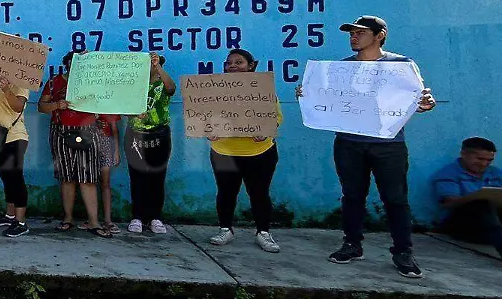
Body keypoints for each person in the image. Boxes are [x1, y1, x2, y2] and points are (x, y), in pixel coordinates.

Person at [298, 15, 436, 278]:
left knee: (395, 199)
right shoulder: (341, 68)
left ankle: (403, 251)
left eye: (360, 32)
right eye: (351, 33)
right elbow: (325, 97)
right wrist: (307, 94)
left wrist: (425, 104)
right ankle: (352, 244)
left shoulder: (401, 65)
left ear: (379, 35)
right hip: (349, 143)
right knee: (352, 196)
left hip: (389, 145)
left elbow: (418, 99)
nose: (353, 37)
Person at [206, 49, 282, 253]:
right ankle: (225, 229)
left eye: (238, 62)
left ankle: (263, 232)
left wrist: (265, 131)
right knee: (225, 192)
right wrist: (208, 131)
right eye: (229, 63)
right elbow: (204, 117)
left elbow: (276, 116)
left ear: (251, 66)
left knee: (259, 193)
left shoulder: (262, 89)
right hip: (223, 151)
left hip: (260, 152)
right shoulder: (214, 91)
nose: (232, 66)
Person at [38, 53, 107, 237]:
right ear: (67, 64)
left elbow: (107, 103)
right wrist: (56, 105)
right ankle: (67, 219)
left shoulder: (93, 82)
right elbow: (41, 107)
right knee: (66, 177)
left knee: (88, 178)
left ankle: (94, 222)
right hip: (61, 132)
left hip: (88, 131)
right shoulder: (54, 82)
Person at [126, 53, 176, 235]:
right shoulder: (133, 85)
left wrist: (158, 66)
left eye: (154, 64)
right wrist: (133, 113)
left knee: (157, 176)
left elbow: (171, 88)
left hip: (159, 134)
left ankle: (155, 217)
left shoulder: (163, 83)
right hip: (135, 135)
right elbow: (121, 105)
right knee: (137, 176)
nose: (150, 66)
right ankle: (137, 217)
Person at [431, 137, 502, 260]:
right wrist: (476, 197)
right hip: (462, 224)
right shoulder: (448, 174)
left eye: (489, 160)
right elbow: (449, 203)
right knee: (481, 205)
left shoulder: (496, 173)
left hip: (494, 223)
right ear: (463, 154)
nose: (484, 164)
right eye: (480, 159)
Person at [0, 76, 31, 238]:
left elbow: (18, 107)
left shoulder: (21, 83)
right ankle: (10, 215)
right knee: (6, 177)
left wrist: (6, 89)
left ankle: (21, 222)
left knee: (15, 178)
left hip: (14, 137)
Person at [96, 113, 122, 235]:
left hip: (106, 142)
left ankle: (108, 220)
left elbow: (114, 129)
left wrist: (116, 151)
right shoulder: (87, 103)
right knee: (88, 182)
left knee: (105, 183)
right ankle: (92, 219)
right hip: (87, 141)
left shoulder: (110, 104)